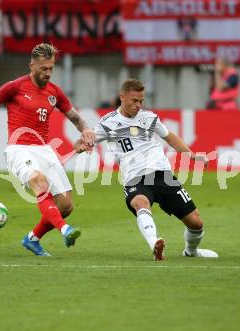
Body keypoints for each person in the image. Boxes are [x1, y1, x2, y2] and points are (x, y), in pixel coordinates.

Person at [0, 43, 95, 256]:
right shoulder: (15, 87)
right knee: (39, 181)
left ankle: (32, 239)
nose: (48, 73)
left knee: (66, 205)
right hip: (19, 149)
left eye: (51, 68)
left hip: (44, 149)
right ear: (32, 65)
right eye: (43, 68)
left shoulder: (54, 92)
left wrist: (86, 130)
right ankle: (65, 229)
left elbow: (75, 117)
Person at [75, 79, 218, 261]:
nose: (138, 105)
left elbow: (170, 137)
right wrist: (81, 145)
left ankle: (191, 251)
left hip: (162, 174)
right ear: (122, 97)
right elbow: (87, 140)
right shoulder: (108, 123)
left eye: (141, 101)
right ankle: (154, 244)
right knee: (140, 203)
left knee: (196, 223)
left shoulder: (149, 118)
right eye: (134, 100)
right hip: (135, 177)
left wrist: (191, 155)